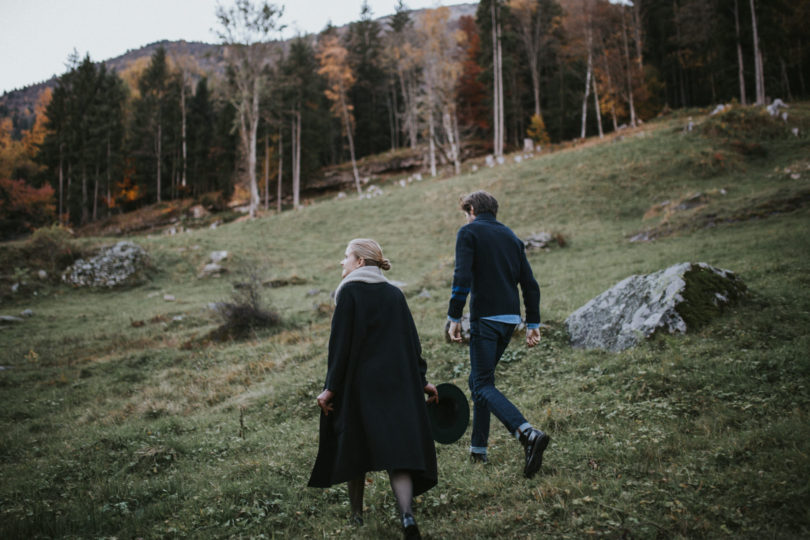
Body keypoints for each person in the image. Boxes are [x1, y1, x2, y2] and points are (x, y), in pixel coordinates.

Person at [308, 238, 439, 539]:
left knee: (354, 446)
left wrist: (330, 389)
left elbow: (339, 347)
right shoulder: (395, 294)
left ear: (359, 262)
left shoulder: (349, 292)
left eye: (346, 257)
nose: (342, 262)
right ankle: (407, 517)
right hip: (397, 385)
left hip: (359, 386)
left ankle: (356, 517)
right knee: (399, 452)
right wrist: (421, 382)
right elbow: (411, 344)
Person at [447, 191, 550, 478]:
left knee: (480, 384)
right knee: (480, 381)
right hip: (509, 321)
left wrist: (454, 316)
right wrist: (533, 323)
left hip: (486, 320)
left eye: (465, 212)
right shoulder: (511, 237)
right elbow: (530, 284)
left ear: (471, 209)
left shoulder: (469, 233)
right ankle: (478, 450)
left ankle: (527, 434)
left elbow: (462, 276)